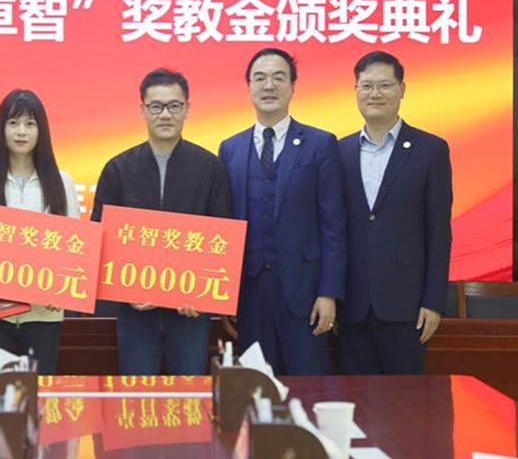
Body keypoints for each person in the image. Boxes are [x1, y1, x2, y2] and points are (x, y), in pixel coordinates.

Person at [91, 68, 233, 375]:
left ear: (187, 109)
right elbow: (98, 240)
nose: (165, 114)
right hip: (135, 314)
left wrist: (201, 293)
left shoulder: (210, 168)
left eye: (174, 106)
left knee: (188, 396)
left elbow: (223, 241)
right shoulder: (118, 170)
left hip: (190, 313)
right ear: (142, 110)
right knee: (137, 396)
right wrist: (126, 291)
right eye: (156, 106)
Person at [218, 48, 345, 375]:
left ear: (292, 87)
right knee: (255, 388)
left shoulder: (320, 144)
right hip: (249, 295)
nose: (269, 85)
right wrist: (223, 295)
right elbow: (224, 227)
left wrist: (328, 293)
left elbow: (333, 226)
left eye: (278, 77)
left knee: (308, 388)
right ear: (248, 87)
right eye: (260, 78)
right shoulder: (230, 149)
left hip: (304, 294)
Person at [338, 51, 452, 374]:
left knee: (405, 400)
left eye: (385, 85)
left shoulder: (430, 150)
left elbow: (439, 233)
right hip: (352, 307)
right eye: (367, 86)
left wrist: (433, 301)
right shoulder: (339, 151)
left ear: (402, 89)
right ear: (356, 91)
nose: (375, 93)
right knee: (356, 399)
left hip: (407, 307)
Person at [0, 89, 80, 374]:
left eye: (30, 124)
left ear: (42, 130)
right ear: (0, 128)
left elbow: (75, 249)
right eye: (13, 123)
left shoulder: (62, 182)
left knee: (37, 393)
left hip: (43, 314)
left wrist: (63, 291)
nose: (21, 132)